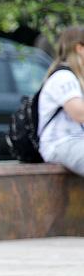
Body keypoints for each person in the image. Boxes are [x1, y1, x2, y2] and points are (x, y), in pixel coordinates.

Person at [38, 26, 84, 175]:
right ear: (79, 48)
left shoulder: (77, 78)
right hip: (60, 142)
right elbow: (79, 113)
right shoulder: (63, 77)